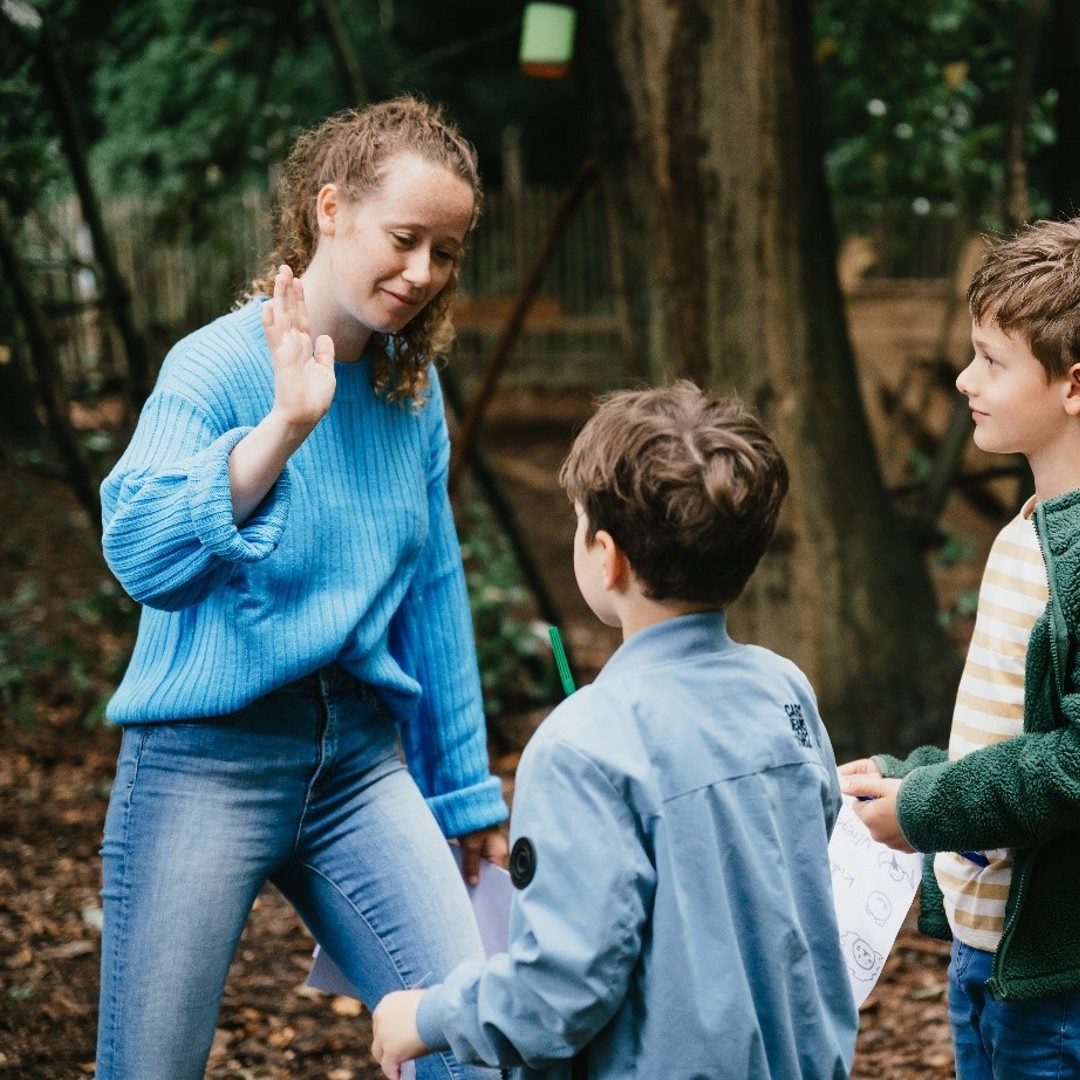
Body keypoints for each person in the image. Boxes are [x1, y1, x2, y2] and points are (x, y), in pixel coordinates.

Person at [94, 95, 508, 1080]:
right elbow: (140, 557)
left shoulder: (413, 389)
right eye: (405, 239)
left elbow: (434, 595)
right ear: (330, 210)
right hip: (205, 760)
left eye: (444, 253)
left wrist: (464, 794)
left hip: (359, 765)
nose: (422, 274)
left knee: (474, 1042)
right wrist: (281, 428)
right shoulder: (214, 367)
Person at [370, 382, 859, 1079]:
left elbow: (560, 990)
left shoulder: (580, 746)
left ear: (608, 556)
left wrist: (425, 1017)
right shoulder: (784, 690)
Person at [839, 217, 1080, 1079]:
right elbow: (1010, 745)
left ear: (1073, 385)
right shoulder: (1027, 530)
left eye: (992, 359)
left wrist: (927, 807)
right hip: (984, 960)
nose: (962, 376)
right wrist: (913, 779)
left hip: (1056, 986)